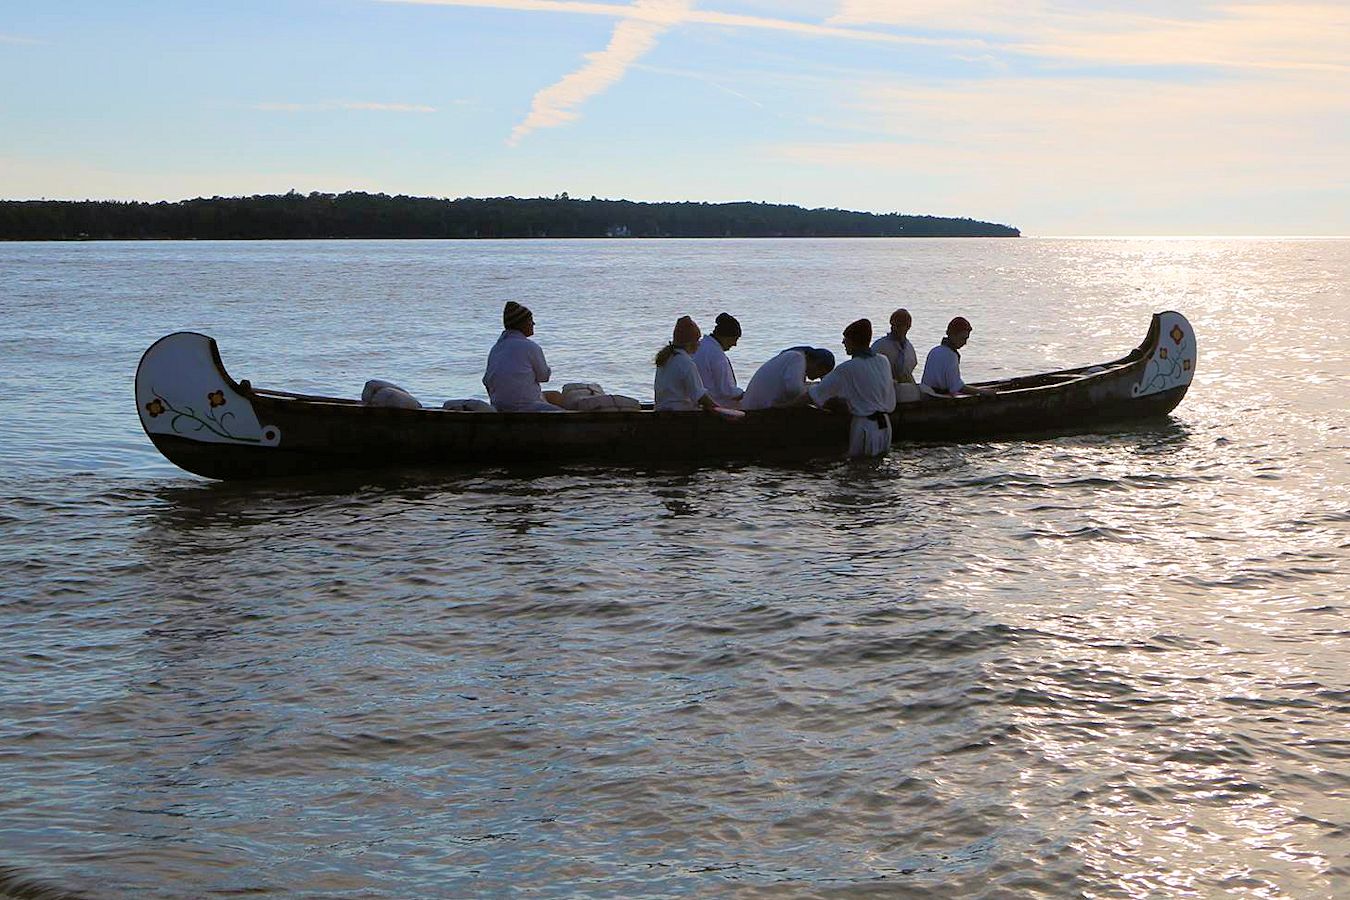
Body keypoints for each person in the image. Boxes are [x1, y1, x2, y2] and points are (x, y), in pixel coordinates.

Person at [805, 318, 896, 457]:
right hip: (885, 427)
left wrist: (786, 403)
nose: (843, 343)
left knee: (859, 471)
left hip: (865, 427)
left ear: (853, 341)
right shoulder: (883, 361)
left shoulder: (846, 369)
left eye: (845, 339)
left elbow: (814, 395)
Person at [482, 301, 565, 412]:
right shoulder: (530, 347)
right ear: (521, 324)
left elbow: (487, 380)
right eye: (530, 321)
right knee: (564, 411)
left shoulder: (496, 348)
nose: (533, 324)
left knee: (553, 396)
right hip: (526, 407)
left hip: (499, 406)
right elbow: (544, 377)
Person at [920, 316, 995, 397]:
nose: (965, 342)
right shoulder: (951, 356)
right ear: (953, 335)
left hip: (926, 395)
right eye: (963, 338)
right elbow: (957, 387)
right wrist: (982, 391)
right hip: (939, 398)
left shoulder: (934, 350)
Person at [741, 346, 836, 411]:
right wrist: (815, 391)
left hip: (755, 406)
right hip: (759, 410)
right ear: (817, 364)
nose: (817, 378)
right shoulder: (797, 358)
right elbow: (795, 390)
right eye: (821, 373)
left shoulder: (792, 357)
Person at [654, 316, 718, 412]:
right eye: (697, 340)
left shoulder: (666, 358)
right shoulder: (685, 362)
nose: (699, 344)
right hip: (681, 416)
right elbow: (699, 396)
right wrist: (719, 409)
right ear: (689, 343)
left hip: (661, 412)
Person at [692, 312, 744, 407]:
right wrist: (747, 394)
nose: (735, 344)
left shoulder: (701, 346)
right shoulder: (716, 355)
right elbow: (727, 391)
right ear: (726, 337)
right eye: (735, 339)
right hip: (717, 406)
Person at [871, 308, 918, 384]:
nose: (894, 328)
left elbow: (911, 369)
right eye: (893, 324)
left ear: (908, 327)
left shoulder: (909, 348)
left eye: (899, 325)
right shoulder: (879, 346)